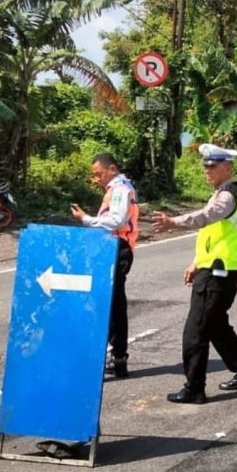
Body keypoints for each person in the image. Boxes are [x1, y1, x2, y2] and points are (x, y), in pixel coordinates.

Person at [153, 143, 237, 405]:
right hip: (215, 270)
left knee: (196, 331)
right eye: (205, 166)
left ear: (228, 168)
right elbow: (211, 236)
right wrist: (196, 262)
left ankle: (194, 388)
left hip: (218, 275)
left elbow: (205, 217)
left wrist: (173, 222)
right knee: (216, 327)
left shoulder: (227, 196)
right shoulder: (221, 193)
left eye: (212, 166)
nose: (207, 171)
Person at [71, 153, 139, 379]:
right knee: (111, 302)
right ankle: (116, 357)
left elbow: (117, 220)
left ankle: (117, 356)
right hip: (113, 247)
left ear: (112, 168)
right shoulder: (118, 188)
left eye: (99, 174)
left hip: (117, 247)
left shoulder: (120, 188)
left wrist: (87, 220)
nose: (96, 179)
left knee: (113, 303)